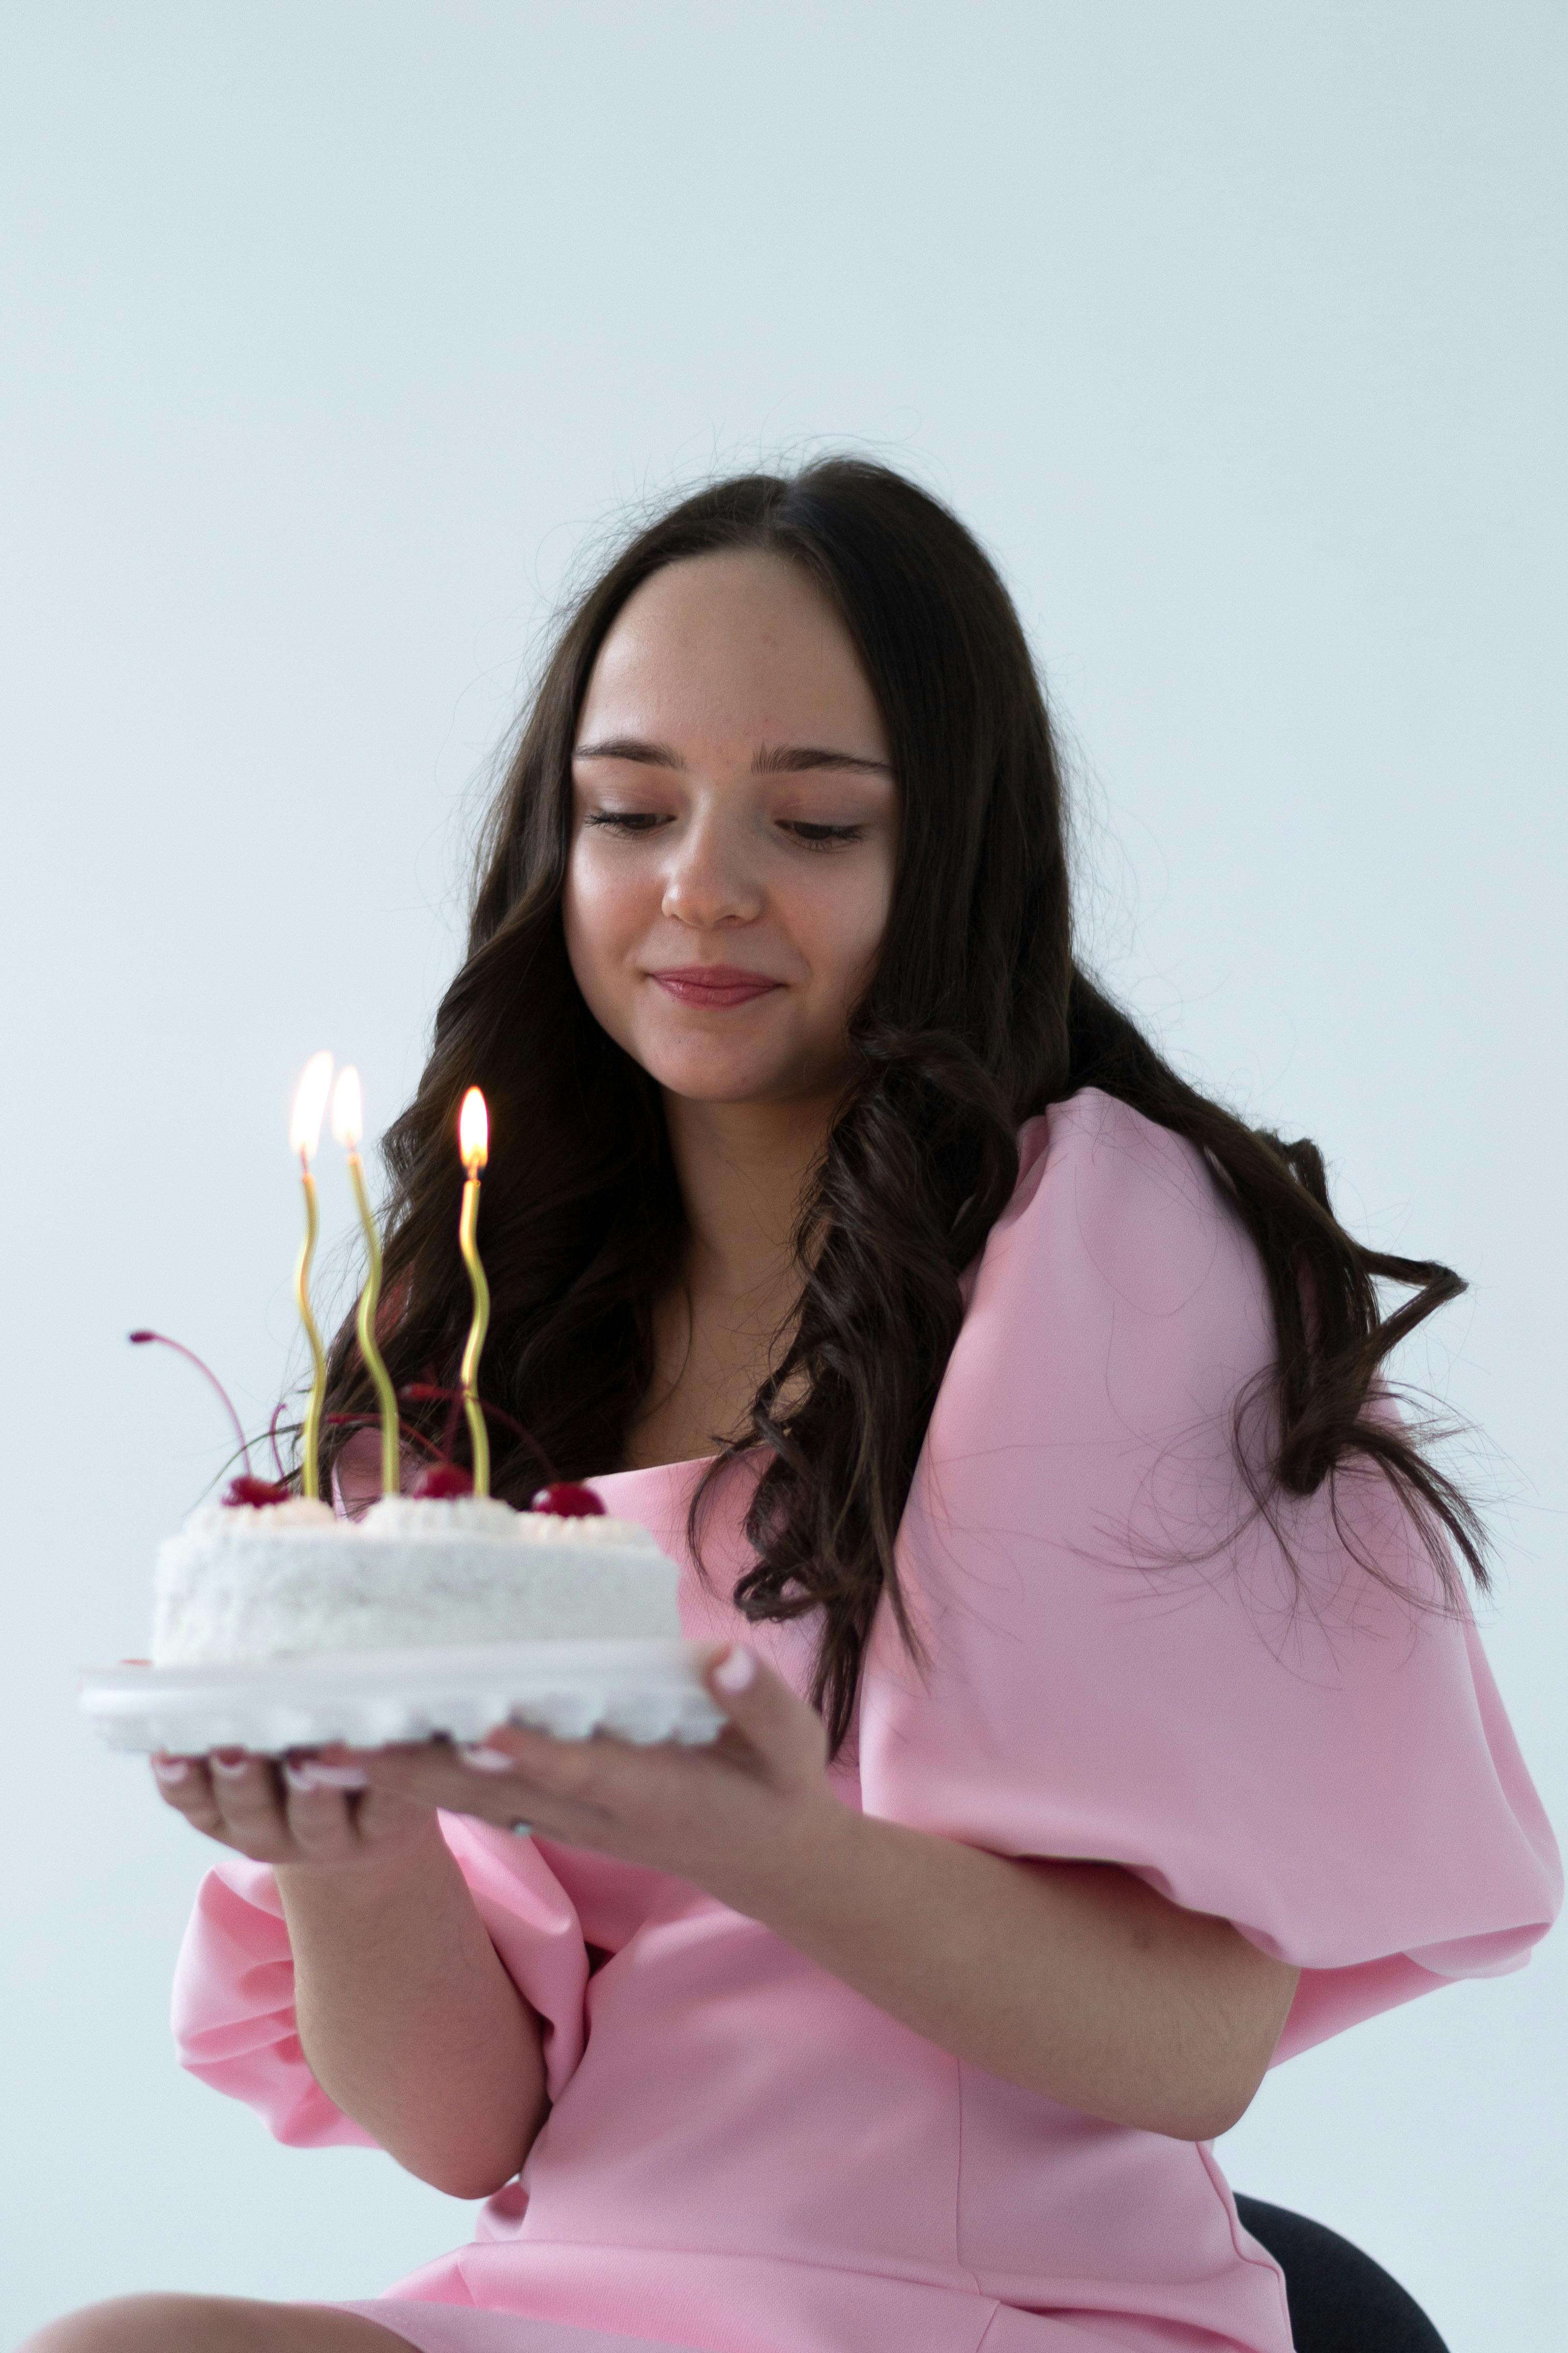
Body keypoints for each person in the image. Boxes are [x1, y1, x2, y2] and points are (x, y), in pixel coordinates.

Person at [31, 459, 1559, 2353]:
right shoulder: (491, 1319)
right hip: (582, 2292)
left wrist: (759, 1837)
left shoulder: (1100, 1248)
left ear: (954, 857)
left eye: (816, 823)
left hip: (999, 2300)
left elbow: (1196, 2053)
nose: (704, 887)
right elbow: (469, 2130)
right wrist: (346, 1850)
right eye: (629, 810)